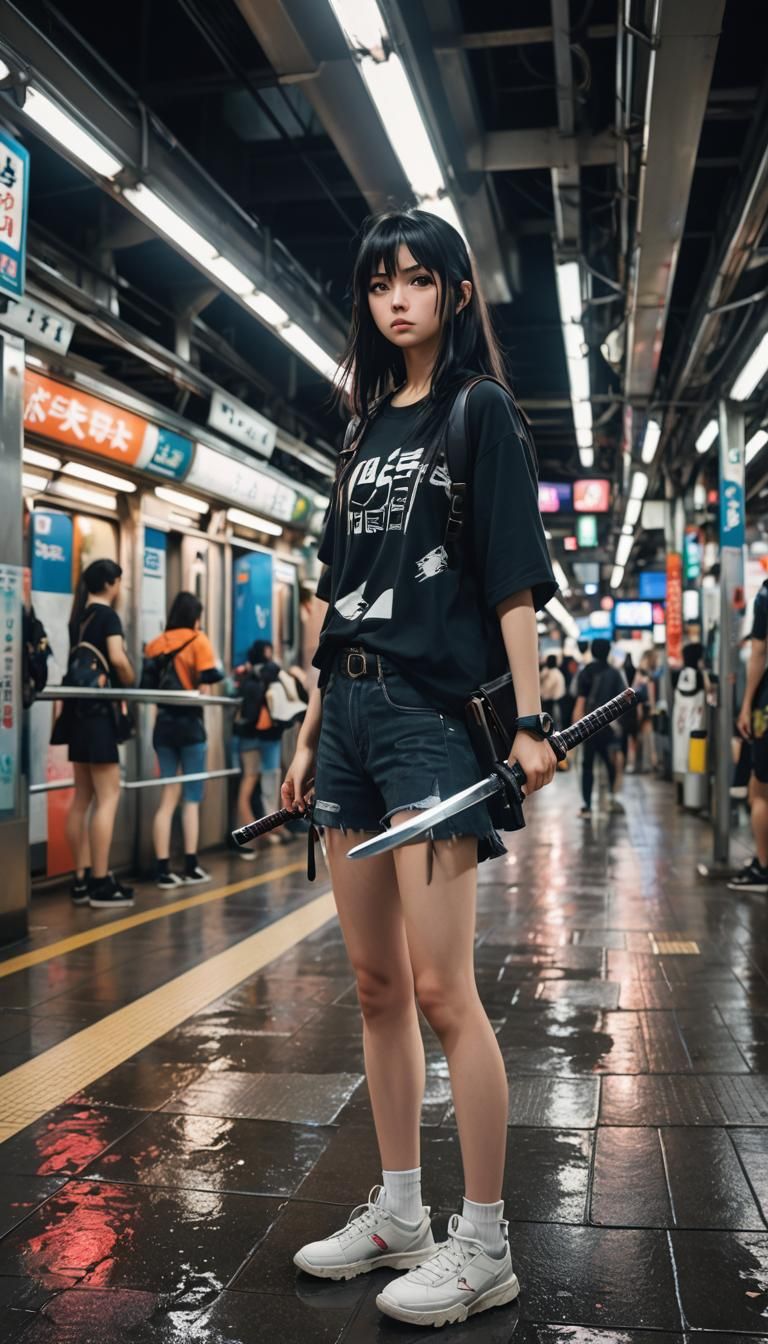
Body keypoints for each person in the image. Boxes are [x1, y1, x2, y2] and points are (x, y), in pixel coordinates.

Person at [281, 208, 557, 1329]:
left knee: (445, 991)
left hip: (431, 723)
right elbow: (336, 588)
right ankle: (401, 1214)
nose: (398, 300)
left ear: (455, 291)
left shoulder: (477, 411)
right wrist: (310, 728)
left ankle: (484, 1242)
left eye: (418, 280)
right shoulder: (360, 430)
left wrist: (531, 721)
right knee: (376, 984)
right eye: (380, 284)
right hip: (348, 714)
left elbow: (510, 578)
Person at [58, 559, 135, 910]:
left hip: (76, 715)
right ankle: (101, 882)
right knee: (109, 795)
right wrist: (130, 676)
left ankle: (81, 879)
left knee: (82, 798)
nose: (120, 588)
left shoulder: (78, 617)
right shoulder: (107, 616)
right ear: (110, 583)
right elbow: (116, 658)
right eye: (119, 582)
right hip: (98, 717)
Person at [142, 593, 223, 888]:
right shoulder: (199, 640)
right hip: (190, 727)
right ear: (195, 616)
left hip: (163, 727)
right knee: (191, 798)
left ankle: (163, 869)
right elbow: (209, 680)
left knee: (168, 797)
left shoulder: (155, 644)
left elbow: (146, 687)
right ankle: (190, 865)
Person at [230, 639, 287, 855]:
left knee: (247, 784)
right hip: (269, 735)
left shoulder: (244, 675)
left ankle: (250, 834)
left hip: (247, 736)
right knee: (271, 784)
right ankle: (271, 829)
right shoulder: (273, 672)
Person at [730, 580, 768, 891]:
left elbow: (758, 651)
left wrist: (746, 705)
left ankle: (764, 867)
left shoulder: (765, 594)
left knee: (760, 790)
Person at [573, 638, 626, 817]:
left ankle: (587, 806)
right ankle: (611, 798)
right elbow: (622, 702)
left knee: (587, 765)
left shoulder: (585, 672)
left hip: (588, 727)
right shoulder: (615, 673)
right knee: (610, 762)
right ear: (608, 651)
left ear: (593, 651)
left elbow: (580, 702)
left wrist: (575, 731)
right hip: (609, 726)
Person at [539, 654, 565, 727]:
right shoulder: (553, 671)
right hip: (554, 702)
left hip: (553, 703)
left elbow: (546, 690)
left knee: (554, 724)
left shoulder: (553, 673)